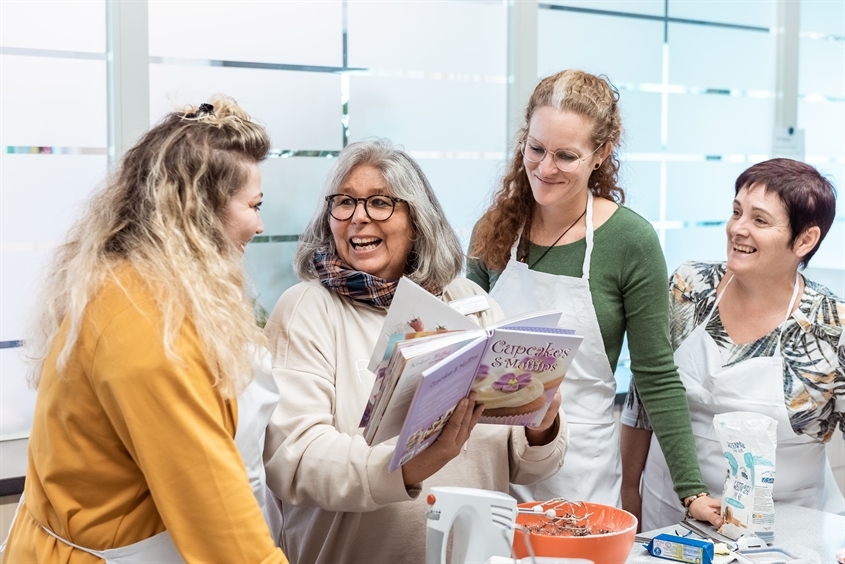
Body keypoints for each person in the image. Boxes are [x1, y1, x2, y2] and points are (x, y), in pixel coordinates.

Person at [1, 98, 288, 563]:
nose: (259, 224)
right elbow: (219, 519)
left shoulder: (128, 283)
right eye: (253, 206)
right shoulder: (149, 327)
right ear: (197, 210)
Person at [262, 139, 567, 564]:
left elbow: (526, 466)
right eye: (344, 202)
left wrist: (542, 424)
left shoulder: (471, 301)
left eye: (380, 203)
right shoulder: (307, 309)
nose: (358, 218)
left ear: (417, 219)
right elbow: (295, 461)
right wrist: (409, 466)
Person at [467, 69, 721, 525]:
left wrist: (691, 491)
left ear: (601, 154)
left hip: (578, 470)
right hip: (490, 463)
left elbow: (656, 375)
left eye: (566, 155)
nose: (545, 168)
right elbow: (466, 347)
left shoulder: (630, 240)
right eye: (536, 149)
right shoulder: (494, 230)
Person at [621, 158, 845, 531]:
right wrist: (629, 491)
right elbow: (643, 399)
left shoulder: (830, 325)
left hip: (784, 526)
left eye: (759, 220)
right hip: (669, 514)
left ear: (805, 239)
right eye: (736, 212)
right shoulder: (689, 287)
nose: (737, 229)